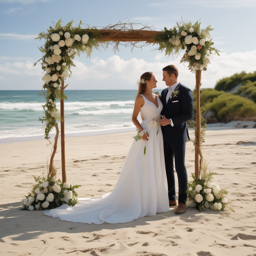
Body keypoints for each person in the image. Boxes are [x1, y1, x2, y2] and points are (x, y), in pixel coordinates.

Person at [44, 72, 169, 224]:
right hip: (146, 135)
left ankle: (155, 201)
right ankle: (142, 201)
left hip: (158, 135)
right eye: (154, 78)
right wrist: (141, 131)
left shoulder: (159, 97)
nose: (157, 80)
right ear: (147, 81)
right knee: (144, 165)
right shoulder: (140, 98)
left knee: (155, 164)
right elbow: (134, 118)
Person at [158, 65, 193, 215]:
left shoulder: (185, 91)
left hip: (178, 135)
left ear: (172, 76)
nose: (162, 79)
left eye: (164, 76)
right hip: (164, 136)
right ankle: (171, 198)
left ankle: (182, 202)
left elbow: (188, 114)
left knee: (180, 167)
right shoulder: (164, 91)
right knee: (167, 167)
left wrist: (171, 121)